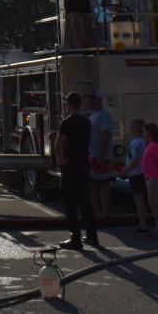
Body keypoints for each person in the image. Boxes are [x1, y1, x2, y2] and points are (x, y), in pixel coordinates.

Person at [54, 92, 98, 250]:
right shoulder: (86, 121)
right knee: (85, 200)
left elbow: (59, 142)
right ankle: (92, 236)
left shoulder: (67, 122)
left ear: (68, 104)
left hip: (70, 165)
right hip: (83, 164)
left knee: (69, 202)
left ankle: (75, 238)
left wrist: (60, 160)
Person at [87, 90, 114, 218]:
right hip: (93, 155)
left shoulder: (104, 116)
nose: (90, 102)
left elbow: (106, 136)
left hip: (100, 156)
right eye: (90, 99)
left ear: (99, 100)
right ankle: (97, 213)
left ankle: (105, 213)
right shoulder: (92, 115)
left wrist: (102, 155)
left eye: (93, 99)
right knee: (92, 185)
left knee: (102, 185)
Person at [124, 118, 150, 232]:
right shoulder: (136, 140)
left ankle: (143, 224)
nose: (129, 128)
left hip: (137, 173)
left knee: (139, 199)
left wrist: (126, 170)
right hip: (135, 173)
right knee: (137, 198)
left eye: (131, 127)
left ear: (136, 129)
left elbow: (136, 158)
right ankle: (142, 223)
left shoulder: (139, 142)